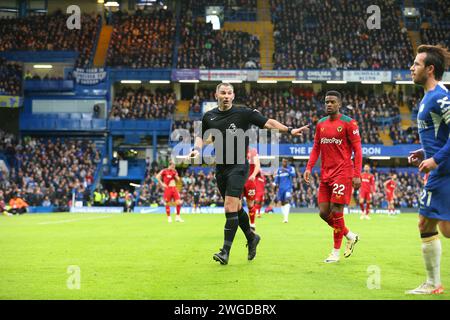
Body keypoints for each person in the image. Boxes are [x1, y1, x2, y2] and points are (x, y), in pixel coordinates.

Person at [188, 82, 308, 265]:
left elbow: (268, 122)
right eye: (223, 93)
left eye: (229, 93)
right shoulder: (209, 116)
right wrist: (196, 149)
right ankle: (252, 237)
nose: (226, 96)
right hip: (221, 168)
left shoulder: (243, 113)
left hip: (239, 166)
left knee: (229, 206)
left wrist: (289, 130)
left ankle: (225, 252)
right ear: (216, 95)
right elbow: (202, 137)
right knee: (235, 209)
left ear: (233, 96)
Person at [406, 44, 450, 295]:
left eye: (416, 64)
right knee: (445, 228)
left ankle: (433, 283)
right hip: (441, 167)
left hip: (443, 170)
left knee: (425, 224)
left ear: (430, 69)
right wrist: (425, 153)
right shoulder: (428, 97)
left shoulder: (440, 97)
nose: (412, 68)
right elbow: (442, 136)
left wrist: (435, 160)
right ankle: (434, 282)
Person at [303, 90, 362, 263]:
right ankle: (350, 235)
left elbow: (358, 150)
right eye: (327, 102)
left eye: (332, 102)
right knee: (323, 212)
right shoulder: (320, 124)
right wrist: (309, 167)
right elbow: (316, 148)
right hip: (326, 174)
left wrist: (357, 174)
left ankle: (335, 253)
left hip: (343, 172)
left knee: (336, 211)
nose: (329, 104)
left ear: (339, 104)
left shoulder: (349, 123)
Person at [242, 147, 264, 230]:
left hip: (250, 181)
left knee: (250, 204)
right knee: (236, 204)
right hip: (238, 181)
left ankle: (252, 224)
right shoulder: (235, 150)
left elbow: (257, 165)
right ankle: (239, 224)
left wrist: (254, 175)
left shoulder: (253, 151)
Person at [274, 158, 296, 223]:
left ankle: (286, 218)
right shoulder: (279, 170)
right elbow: (277, 178)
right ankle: (284, 217)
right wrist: (274, 183)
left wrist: (286, 170)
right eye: (283, 162)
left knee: (287, 200)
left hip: (288, 188)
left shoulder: (291, 168)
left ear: (287, 162)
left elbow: (294, 175)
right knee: (282, 203)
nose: (284, 163)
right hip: (281, 189)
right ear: (282, 162)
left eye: (286, 162)